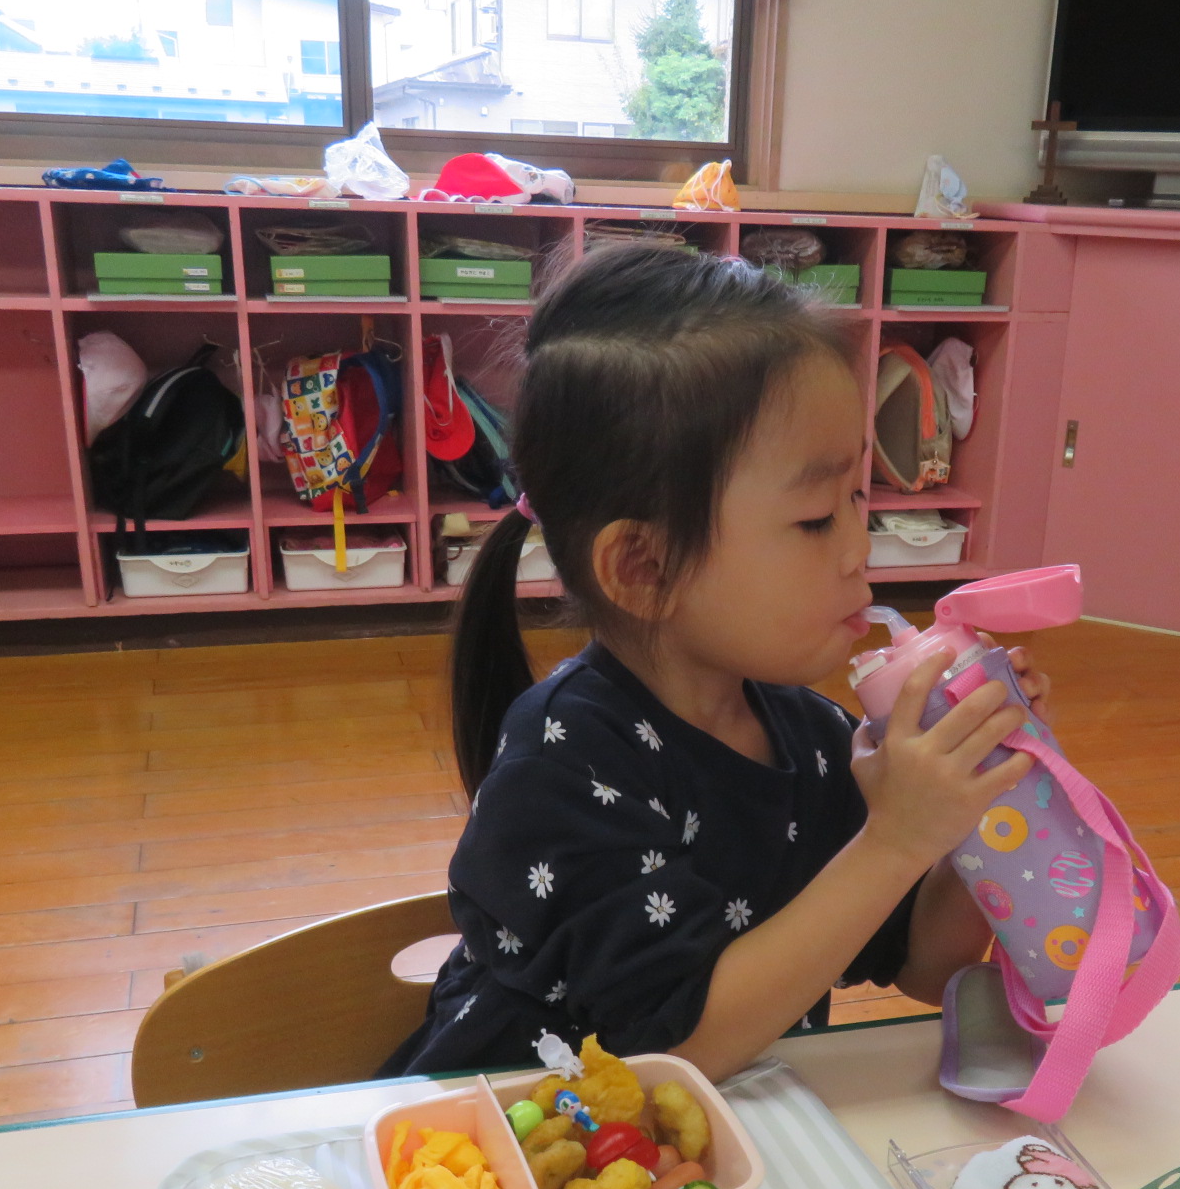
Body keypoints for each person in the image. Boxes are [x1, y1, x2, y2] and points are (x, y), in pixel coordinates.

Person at [379, 242, 1048, 1082]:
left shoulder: (812, 737)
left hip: (725, 1130)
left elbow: (928, 965)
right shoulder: (562, 765)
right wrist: (895, 838)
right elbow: (678, 1047)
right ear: (644, 568)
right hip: (524, 1130)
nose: (859, 550)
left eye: (858, 499)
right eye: (816, 517)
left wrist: (970, 800)